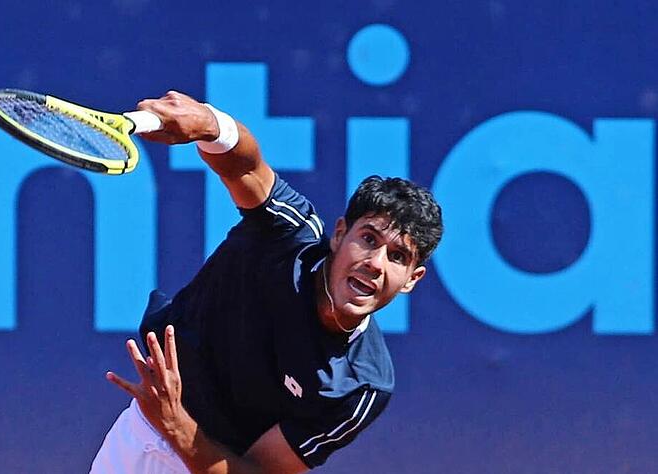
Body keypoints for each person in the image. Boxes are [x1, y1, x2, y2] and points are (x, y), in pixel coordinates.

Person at [90, 91, 443, 473]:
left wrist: (177, 425)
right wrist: (211, 125)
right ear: (339, 235)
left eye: (397, 257)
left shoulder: (361, 385)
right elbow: (245, 166)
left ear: (411, 279)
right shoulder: (288, 233)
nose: (375, 263)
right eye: (369, 238)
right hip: (140, 436)